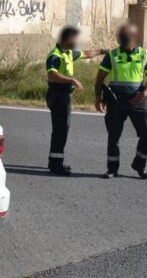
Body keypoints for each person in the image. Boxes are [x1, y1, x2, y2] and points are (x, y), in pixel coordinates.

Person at [94, 24, 147, 179]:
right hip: (116, 101)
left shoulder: (144, 55)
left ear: (134, 39)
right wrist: (98, 97)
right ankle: (112, 169)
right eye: (121, 40)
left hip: (138, 100)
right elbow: (100, 78)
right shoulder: (111, 55)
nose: (122, 42)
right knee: (113, 136)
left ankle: (139, 165)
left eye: (126, 40)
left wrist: (144, 94)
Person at [44, 26, 105, 176]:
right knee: (60, 129)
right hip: (57, 95)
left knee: (62, 130)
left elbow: (85, 54)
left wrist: (101, 51)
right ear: (65, 40)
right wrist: (71, 79)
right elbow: (52, 75)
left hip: (64, 95)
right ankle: (55, 166)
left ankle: (56, 161)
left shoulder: (68, 53)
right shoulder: (55, 55)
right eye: (73, 39)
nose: (76, 42)